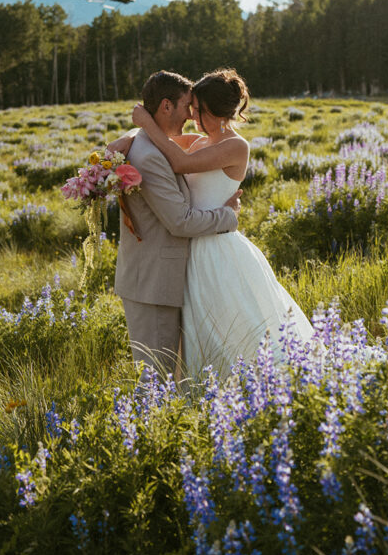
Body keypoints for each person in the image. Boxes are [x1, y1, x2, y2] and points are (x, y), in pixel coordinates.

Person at [130, 67, 314, 378]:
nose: (192, 116)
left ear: (217, 111)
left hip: (219, 247)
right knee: (202, 327)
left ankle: (255, 383)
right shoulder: (200, 140)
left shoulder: (235, 145)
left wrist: (145, 120)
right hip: (194, 244)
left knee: (234, 322)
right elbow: (156, 140)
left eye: (199, 110)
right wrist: (125, 141)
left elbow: (179, 161)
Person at [109, 70, 241, 379]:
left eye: (197, 108)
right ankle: (148, 428)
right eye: (187, 106)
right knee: (157, 378)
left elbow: (170, 152)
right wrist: (229, 216)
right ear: (166, 106)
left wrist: (140, 126)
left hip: (181, 272)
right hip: (155, 280)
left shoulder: (157, 144)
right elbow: (179, 221)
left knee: (172, 373)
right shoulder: (151, 154)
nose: (190, 115)